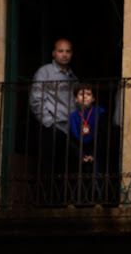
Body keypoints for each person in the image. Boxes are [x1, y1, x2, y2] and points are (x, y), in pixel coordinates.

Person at [29, 38, 78, 203]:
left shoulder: (73, 77)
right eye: (61, 51)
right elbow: (36, 98)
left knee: (65, 167)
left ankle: (62, 202)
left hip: (68, 128)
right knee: (47, 168)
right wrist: (48, 122)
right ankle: (44, 202)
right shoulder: (45, 72)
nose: (64, 55)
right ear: (54, 53)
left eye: (68, 51)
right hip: (51, 126)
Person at [69, 83, 106, 204]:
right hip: (80, 153)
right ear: (76, 99)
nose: (85, 97)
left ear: (93, 98)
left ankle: (97, 200)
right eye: (81, 94)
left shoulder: (100, 113)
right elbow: (71, 140)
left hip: (96, 152)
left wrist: (93, 154)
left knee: (97, 175)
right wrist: (82, 155)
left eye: (88, 94)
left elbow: (102, 137)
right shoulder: (73, 117)